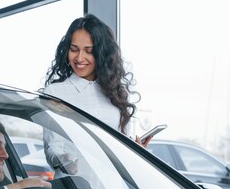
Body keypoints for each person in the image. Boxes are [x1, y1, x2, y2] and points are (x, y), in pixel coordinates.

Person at [42, 14, 150, 177]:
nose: (79, 58)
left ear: (101, 53)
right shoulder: (55, 92)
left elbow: (121, 149)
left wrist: (135, 151)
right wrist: (64, 160)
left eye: (89, 51)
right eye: (74, 49)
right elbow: (52, 147)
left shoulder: (116, 94)